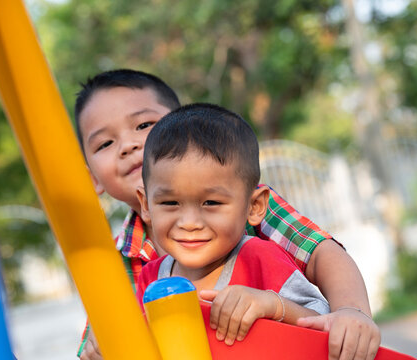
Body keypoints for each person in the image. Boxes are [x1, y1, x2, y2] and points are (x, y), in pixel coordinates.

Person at [76, 69, 380, 360]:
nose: (127, 145)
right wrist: (101, 346)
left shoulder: (244, 202)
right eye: (105, 143)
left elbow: (318, 252)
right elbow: (105, 342)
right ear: (93, 178)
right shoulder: (112, 266)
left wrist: (351, 313)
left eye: (143, 125)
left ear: (183, 125)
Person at [135, 103, 331, 346]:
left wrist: (272, 305)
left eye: (211, 202)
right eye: (170, 202)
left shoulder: (259, 258)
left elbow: (324, 326)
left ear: (254, 206)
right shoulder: (150, 280)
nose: (190, 223)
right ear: (146, 205)